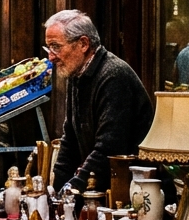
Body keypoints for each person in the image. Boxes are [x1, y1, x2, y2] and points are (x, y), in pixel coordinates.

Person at [46, 10, 155, 193]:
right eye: (48, 48)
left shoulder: (114, 76)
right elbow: (70, 141)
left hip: (132, 190)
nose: (51, 56)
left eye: (56, 47)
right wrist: (54, 192)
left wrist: (71, 189)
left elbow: (109, 148)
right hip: (105, 185)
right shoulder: (77, 74)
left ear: (83, 44)